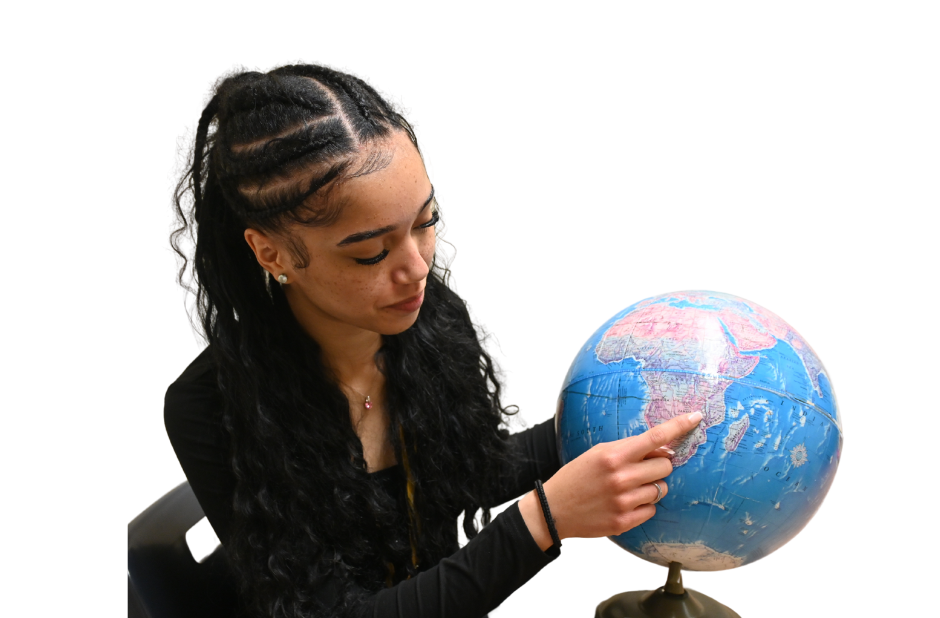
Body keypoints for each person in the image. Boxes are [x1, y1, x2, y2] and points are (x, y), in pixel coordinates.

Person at [163, 60, 698, 618]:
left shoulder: (413, 324)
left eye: (425, 222)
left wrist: (608, 412)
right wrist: (545, 519)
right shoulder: (213, 407)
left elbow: (475, 474)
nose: (418, 268)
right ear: (270, 252)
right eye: (370, 253)